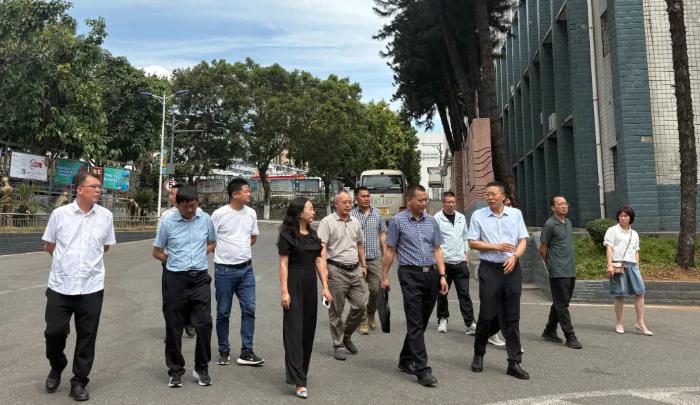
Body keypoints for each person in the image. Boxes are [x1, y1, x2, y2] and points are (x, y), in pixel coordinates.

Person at [42, 172, 116, 401]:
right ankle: (57, 364)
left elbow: (105, 247)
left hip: (91, 287)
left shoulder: (106, 216)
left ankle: (79, 381)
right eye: (94, 186)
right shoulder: (59, 214)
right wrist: (66, 264)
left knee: (87, 337)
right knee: (54, 332)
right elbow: (49, 246)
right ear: (80, 189)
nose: (98, 190)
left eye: (100, 187)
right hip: (60, 285)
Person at [380, 185, 449, 387]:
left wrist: (442, 275)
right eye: (420, 200)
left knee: (422, 320)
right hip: (409, 274)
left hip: (431, 275)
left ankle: (405, 358)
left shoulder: (431, 221)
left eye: (425, 199)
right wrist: (384, 277)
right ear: (409, 200)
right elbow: (390, 250)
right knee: (415, 321)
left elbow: (437, 249)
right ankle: (422, 369)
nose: (424, 203)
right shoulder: (397, 222)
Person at [152, 186, 216, 388]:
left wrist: (199, 256)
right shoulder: (168, 223)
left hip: (200, 279)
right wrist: (173, 262)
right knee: (174, 326)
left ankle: (201, 368)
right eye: (186, 206)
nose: (190, 210)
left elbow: (212, 242)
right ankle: (175, 370)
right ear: (178, 204)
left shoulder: (205, 219)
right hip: (176, 279)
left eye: (194, 206)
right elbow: (157, 251)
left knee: (204, 323)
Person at [467, 181, 530, 380]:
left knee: (512, 316)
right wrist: (496, 247)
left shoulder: (515, 214)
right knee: (487, 315)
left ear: (503, 196)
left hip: (512, 269)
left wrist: (515, 257)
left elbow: (523, 240)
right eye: (487, 194)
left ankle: (514, 362)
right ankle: (478, 354)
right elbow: (472, 242)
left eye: (493, 194)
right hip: (490, 269)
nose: (490, 197)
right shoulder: (478, 216)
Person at [278, 197, 333, 399]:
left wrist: (325, 286)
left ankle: (302, 372)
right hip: (294, 283)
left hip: (310, 284)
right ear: (300, 212)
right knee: (293, 332)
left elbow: (319, 261)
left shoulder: (313, 235)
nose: (313, 211)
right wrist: (284, 291)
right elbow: (283, 264)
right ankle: (299, 381)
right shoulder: (287, 235)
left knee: (307, 331)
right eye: (310, 208)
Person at [211, 178, 264, 366]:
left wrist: (239, 248)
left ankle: (247, 351)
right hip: (224, 271)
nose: (250, 194)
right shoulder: (219, 214)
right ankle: (223, 350)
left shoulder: (251, 213)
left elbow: (253, 238)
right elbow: (210, 240)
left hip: (246, 270)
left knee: (249, 309)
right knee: (223, 312)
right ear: (235, 194)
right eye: (246, 191)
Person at [317, 191, 368, 361]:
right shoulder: (327, 222)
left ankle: (346, 335)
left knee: (360, 306)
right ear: (336, 204)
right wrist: (324, 270)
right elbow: (322, 248)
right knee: (336, 311)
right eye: (344, 202)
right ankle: (338, 344)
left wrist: (363, 264)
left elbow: (359, 244)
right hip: (336, 270)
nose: (348, 205)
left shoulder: (355, 221)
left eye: (350, 202)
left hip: (355, 269)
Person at [539, 195, 582, 349]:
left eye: (565, 203)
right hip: (558, 270)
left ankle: (549, 330)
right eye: (560, 204)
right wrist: (551, 264)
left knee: (561, 302)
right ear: (553, 208)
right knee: (562, 304)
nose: (564, 206)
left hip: (570, 269)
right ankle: (570, 336)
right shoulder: (549, 225)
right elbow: (542, 248)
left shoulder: (568, 222)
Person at [604, 206, 653, 336]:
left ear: (631, 218)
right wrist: (609, 264)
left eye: (625, 216)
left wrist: (637, 267)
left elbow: (636, 251)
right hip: (618, 265)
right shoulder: (612, 230)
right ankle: (619, 323)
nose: (623, 218)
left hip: (632, 266)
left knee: (640, 292)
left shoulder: (634, 233)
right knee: (619, 294)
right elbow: (609, 248)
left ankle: (640, 322)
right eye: (621, 215)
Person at [434, 191, 476, 335]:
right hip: (444, 263)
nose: (451, 204)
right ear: (443, 203)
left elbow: (465, 238)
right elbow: (435, 243)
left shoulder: (461, 217)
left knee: (464, 294)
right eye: (448, 202)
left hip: (460, 262)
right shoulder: (437, 219)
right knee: (442, 293)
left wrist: (466, 257)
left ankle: (469, 323)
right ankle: (443, 319)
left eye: (453, 202)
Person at [159, 184, 195, 338]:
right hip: (170, 262)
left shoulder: (195, 213)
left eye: (173, 194)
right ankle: (171, 330)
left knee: (189, 296)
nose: (171, 197)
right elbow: (160, 239)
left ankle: (189, 321)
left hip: (190, 264)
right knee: (169, 298)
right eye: (170, 194)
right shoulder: (166, 215)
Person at [350, 186, 387, 335]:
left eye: (368, 196)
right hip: (356, 260)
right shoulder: (351, 215)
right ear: (356, 199)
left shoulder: (377, 214)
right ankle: (363, 320)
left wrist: (385, 254)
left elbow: (382, 234)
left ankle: (371, 312)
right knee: (359, 292)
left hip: (374, 258)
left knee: (375, 290)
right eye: (363, 196)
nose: (366, 199)